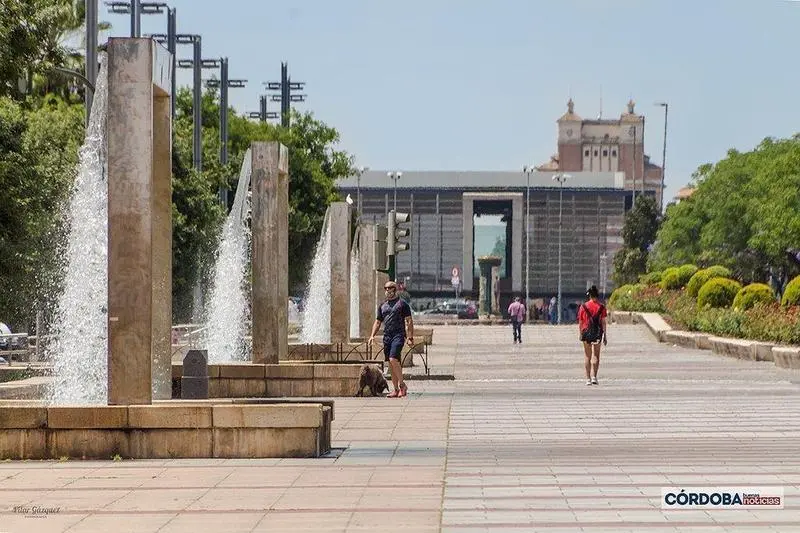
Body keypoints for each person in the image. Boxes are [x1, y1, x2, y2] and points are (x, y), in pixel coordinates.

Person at [367, 281, 415, 398]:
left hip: (398, 335)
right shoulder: (383, 306)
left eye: (390, 289)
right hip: (387, 336)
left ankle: (402, 385)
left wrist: (410, 337)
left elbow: (409, 321)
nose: (387, 291)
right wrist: (372, 335)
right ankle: (395, 389)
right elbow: (378, 322)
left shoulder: (402, 304)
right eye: (386, 289)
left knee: (393, 359)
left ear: (395, 290)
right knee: (391, 363)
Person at [577, 285, 607, 385]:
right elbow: (603, 322)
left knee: (587, 356)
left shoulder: (583, 306)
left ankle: (588, 379)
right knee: (596, 355)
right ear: (597, 295)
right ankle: (594, 377)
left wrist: (581, 333)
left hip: (586, 332)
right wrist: (605, 335)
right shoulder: (602, 307)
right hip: (597, 333)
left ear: (589, 295)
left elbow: (581, 322)